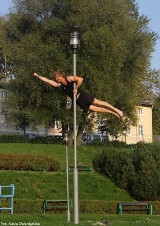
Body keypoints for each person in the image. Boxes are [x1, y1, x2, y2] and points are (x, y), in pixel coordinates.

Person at [33, 70, 123, 118]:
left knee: (99, 103)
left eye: (57, 77)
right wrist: (38, 76)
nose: (56, 79)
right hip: (79, 101)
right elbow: (48, 81)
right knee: (96, 109)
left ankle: (116, 109)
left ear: (61, 76)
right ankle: (113, 113)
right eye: (56, 77)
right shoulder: (59, 85)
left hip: (83, 95)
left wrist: (76, 87)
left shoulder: (69, 78)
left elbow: (81, 79)